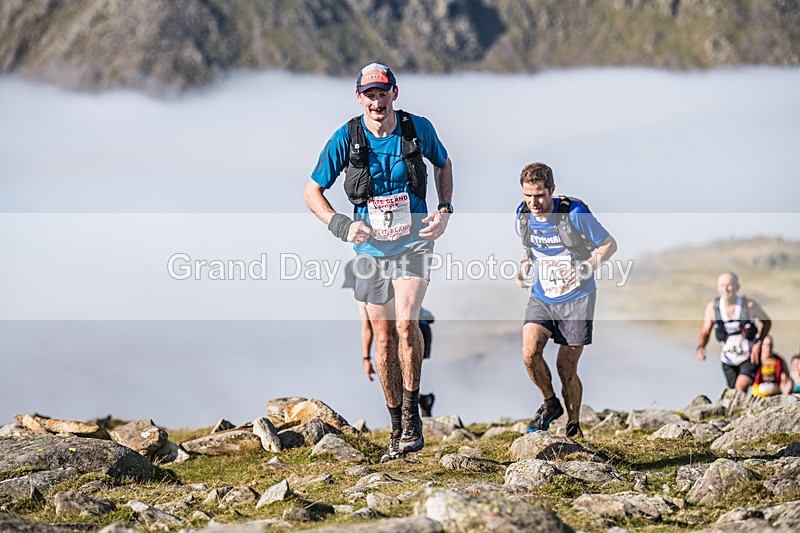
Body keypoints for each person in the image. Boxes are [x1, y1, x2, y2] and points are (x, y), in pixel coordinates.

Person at [304, 63, 453, 461]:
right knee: (383, 336)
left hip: (414, 242)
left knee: (407, 324)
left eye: (382, 92)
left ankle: (413, 418)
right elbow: (312, 191)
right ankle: (396, 428)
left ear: (394, 93)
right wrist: (340, 225)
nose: (376, 101)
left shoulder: (416, 128)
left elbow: (444, 163)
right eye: (369, 94)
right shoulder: (346, 137)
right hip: (370, 252)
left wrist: (444, 210)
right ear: (359, 97)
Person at [514, 162, 617, 438]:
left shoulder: (574, 213)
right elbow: (531, 248)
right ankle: (550, 403)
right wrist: (525, 264)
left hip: (577, 299)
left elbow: (609, 245)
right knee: (529, 353)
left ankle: (574, 426)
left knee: (565, 367)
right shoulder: (523, 214)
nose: (533, 202)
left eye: (539, 195)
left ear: (552, 190)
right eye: (527, 195)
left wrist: (585, 268)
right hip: (542, 296)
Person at [342, 260, 437, 416]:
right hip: (413, 330)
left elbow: (371, 328)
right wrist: (366, 358)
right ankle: (420, 405)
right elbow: (368, 329)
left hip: (418, 329)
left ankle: (412, 413)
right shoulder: (366, 297)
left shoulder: (387, 288)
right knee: (397, 375)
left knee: (403, 373)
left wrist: (367, 358)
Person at [695, 272, 771, 392]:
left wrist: (759, 343)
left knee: (740, 387)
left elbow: (767, 322)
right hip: (728, 358)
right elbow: (705, 331)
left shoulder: (749, 305)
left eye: (729, 285)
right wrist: (701, 346)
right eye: (722, 285)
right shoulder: (713, 308)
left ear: (737, 287)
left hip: (749, 356)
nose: (725, 289)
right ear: (717, 287)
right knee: (733, 391)